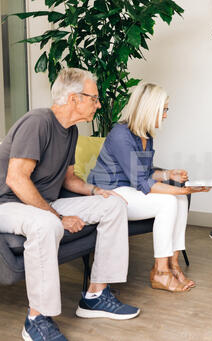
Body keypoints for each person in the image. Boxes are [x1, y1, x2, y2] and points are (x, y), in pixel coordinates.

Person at [0, 68, 140, 341]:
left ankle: (96, 295)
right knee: (46, 223)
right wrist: (58, 216)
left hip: (44, 201)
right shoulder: (38, 122)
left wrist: (97, 191)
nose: (98, 105)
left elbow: (68, 179)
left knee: (113, 205)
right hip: (8, 203)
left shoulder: (71, 131)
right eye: (94, 98)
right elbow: (16, 179)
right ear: (75, 98)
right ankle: (36, 320)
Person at [88, 82, 209, 293]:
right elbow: (142, 182)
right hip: (109, 193)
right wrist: (181, 189)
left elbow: (145, 171)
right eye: (163, 110)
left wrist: (169, 175)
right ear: (148, 109)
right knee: (170, 199)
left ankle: (173, 264)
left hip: (128, 189)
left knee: (179, 199)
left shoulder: (145, 135)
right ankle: (160, 273)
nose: (165, 115)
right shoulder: (120, 135)